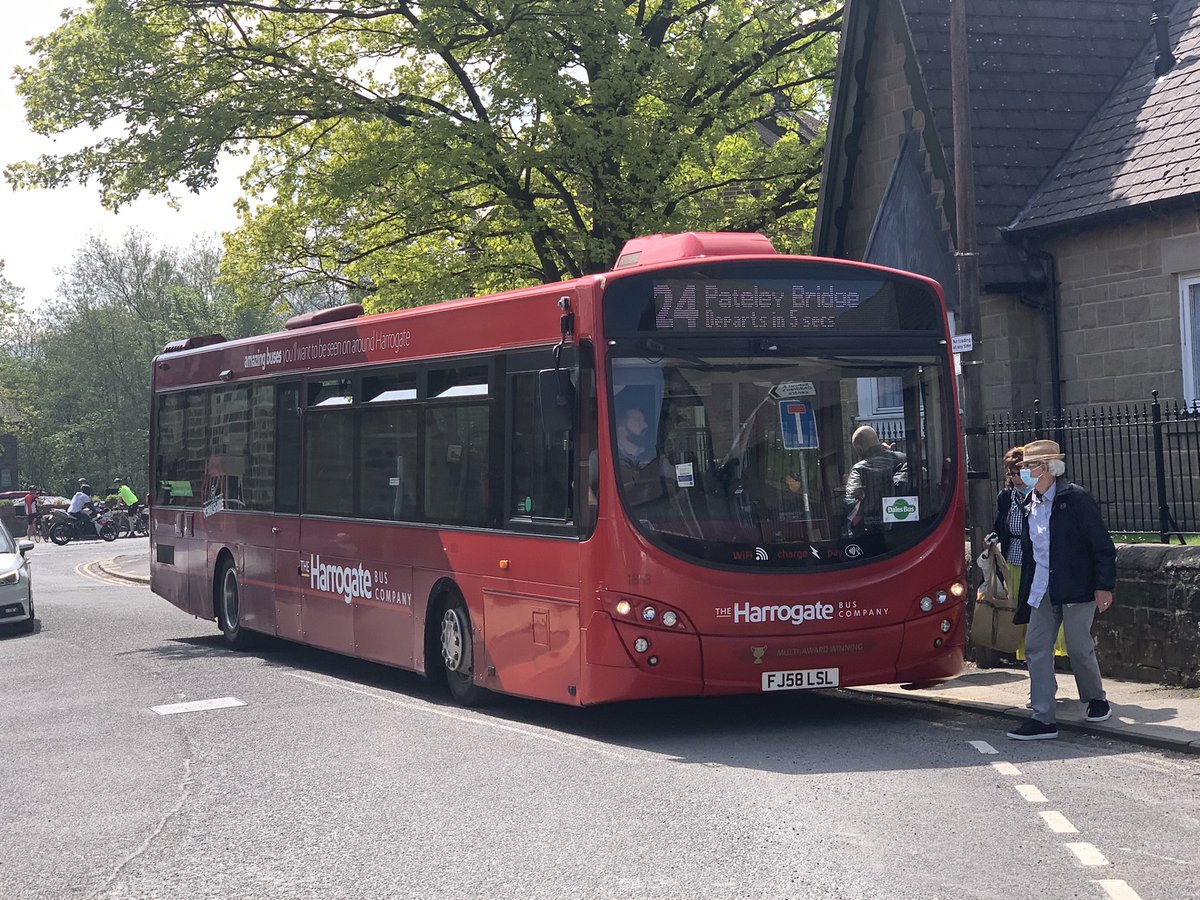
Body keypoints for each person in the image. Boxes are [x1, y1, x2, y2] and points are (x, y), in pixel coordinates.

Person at [1006, 440, 1116, 741]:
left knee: (1080, 647)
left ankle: (1096, 699)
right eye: (1023, 466)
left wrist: (1103, 586)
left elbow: (1101, 545)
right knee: (1036, 648)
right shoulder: (1030, 502)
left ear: (1048, 468)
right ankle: (1043, 718)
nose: (1025, 471)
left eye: (1030, 466)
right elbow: (1032, 550)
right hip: (1042, 587)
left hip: (1077, 585)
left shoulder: (1075, 499)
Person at [844, 425, 906, 533]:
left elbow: (852, 497)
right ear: (877, 440)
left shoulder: (859, 469)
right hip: (905, 525)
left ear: (859, 450)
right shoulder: (903, 459)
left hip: (873, 528)